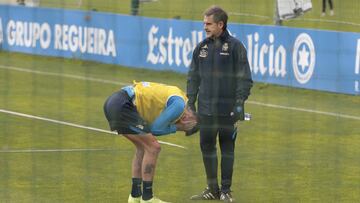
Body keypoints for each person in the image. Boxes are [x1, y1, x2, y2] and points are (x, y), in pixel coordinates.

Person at [186, 5, 253, 203]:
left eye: (208, 23)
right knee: (207, 147)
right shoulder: (201, 48)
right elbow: (193, 77)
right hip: (206, 111)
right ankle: (211, 189)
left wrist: (239, 103)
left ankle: (226, 190)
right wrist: (191, 102)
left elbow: (245, 79)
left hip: (228, 111)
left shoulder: (235, 47)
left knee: (227, 150)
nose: (205, 27)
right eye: (204, 23)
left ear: (221, 24)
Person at [104, 81, 197, 203]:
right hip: (122, 105)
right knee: (153, 147)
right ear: (190, 116)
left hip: (115, 102)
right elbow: (156, 129)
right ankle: (147, 198)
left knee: (143, 147)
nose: (180, 122)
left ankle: (134, 196)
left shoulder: (179, 96)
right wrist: (178, 128)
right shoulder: (179, 105)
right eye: (187, 126)